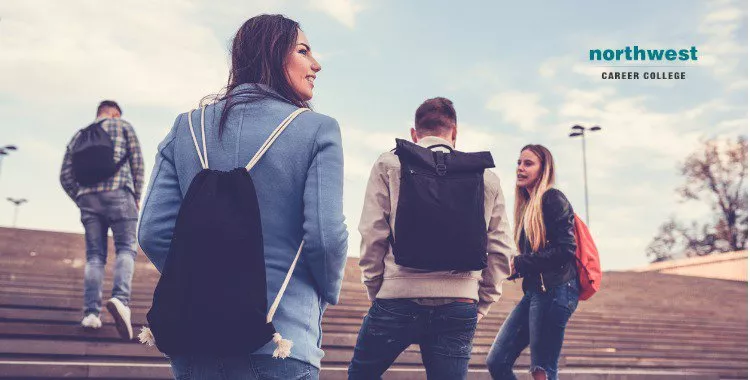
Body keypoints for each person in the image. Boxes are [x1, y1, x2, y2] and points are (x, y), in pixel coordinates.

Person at [137, 14, 347, 380]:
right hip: (281, 338)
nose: (317, 64)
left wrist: (206, 278)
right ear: (273, 53)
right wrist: (324, 295)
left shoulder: (186, 127)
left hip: (194, 338)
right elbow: (326, 238)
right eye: (303, 51)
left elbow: (152, 231)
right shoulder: (318, 130)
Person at [348, 97, 514, 380]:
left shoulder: (390, 164)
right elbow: (500, 249)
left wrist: (379, 289)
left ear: (414, 133)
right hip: (459, 303)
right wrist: (480, 302)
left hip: (396, 298)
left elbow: (373, 232)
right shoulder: (487, 178)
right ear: (455, 132)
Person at [485, 144, 579, 380]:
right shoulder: (527, 206)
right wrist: (510, 267)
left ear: (543, 169)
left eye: (528, 163)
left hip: (556, 290)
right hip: (536, 291)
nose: (520, 168)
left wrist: (520, 263)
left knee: (542, 371)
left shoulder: (552, 198)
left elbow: (566, 249)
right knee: (497, 361)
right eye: (518, 163)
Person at [60, 100, 144, 340]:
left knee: (95, 256)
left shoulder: (79, 135)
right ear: (115, 113)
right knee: (126, 249)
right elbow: (137, 162)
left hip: (88, 200)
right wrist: (136, 194)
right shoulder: (123, 126)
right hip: (120, 195)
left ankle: (91, 314)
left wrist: (80, 197)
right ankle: (120, 299)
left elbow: (65, 174)